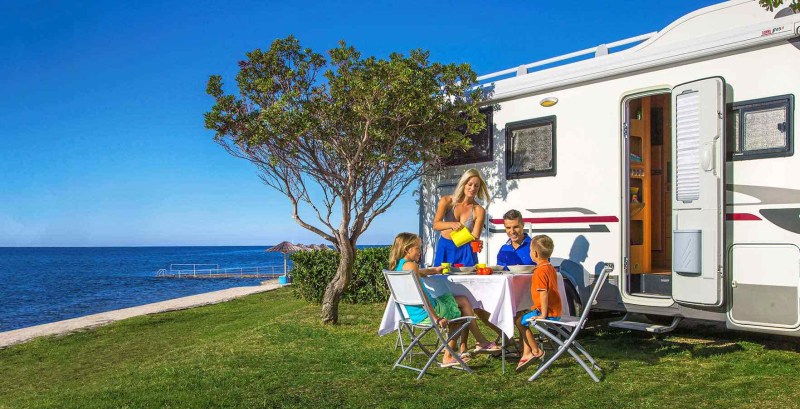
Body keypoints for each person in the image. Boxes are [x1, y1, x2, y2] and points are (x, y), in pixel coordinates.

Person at [389, 232, 500, 367]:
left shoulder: (401, 266)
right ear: (407, 249)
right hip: (428, 313)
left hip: (413, 313)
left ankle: (479, 341)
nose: (420, 252)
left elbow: (420, 273)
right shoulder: (411, 266)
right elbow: (421, 296)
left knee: (463, 300)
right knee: (462, 312)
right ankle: (450, 354)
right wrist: (436, 318)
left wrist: (434, 270)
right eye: (417, 248)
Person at [514, 234, 562, 373]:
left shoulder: (539, 271)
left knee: (519, 321)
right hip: (555, 310)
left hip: (548, 312)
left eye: (530, 250)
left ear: (534, 253)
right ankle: (529, 351)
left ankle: (535, 351)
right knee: (522, 317)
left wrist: (543, 314)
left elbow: (544, 293)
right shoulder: (550, 267)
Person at [432, 168, 489, 267]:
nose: (473, 188)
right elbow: (436, 225)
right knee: (441, 279)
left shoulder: (479, 210)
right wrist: (452, 224)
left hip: (466, 250)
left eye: (476, 186)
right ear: (464, 184)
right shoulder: (447, 201)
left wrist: (478, 244)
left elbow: (475, 237)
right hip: (446, 247)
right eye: (470, 184)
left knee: (469, 280)